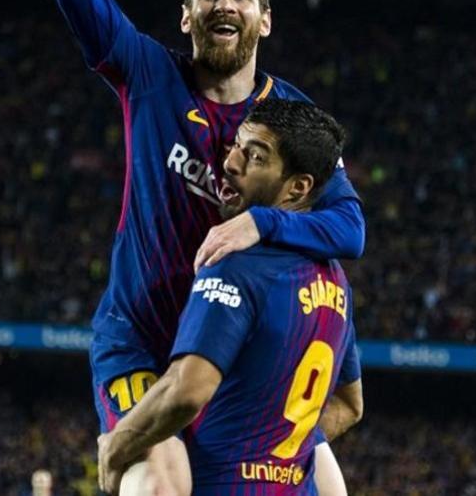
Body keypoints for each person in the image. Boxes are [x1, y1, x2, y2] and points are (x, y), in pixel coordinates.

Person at [16, 0, 366, 495]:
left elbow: (350, 228)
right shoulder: (148, 74)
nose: (223, 4)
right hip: (144, 344)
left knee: (329, 482)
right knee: (162, 479)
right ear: (186, 16)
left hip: (240, 350)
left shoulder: (296, 119)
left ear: (265, 19)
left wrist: (261, 226)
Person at [97, 100, 364, 494]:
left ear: (298, 187)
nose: (230, 164)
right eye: (235, 146)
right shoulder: (336, 282)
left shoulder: (234, 263)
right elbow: (351, 405)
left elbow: (187, 391)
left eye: (255, 157)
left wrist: (117, 444)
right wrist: (276, 458)